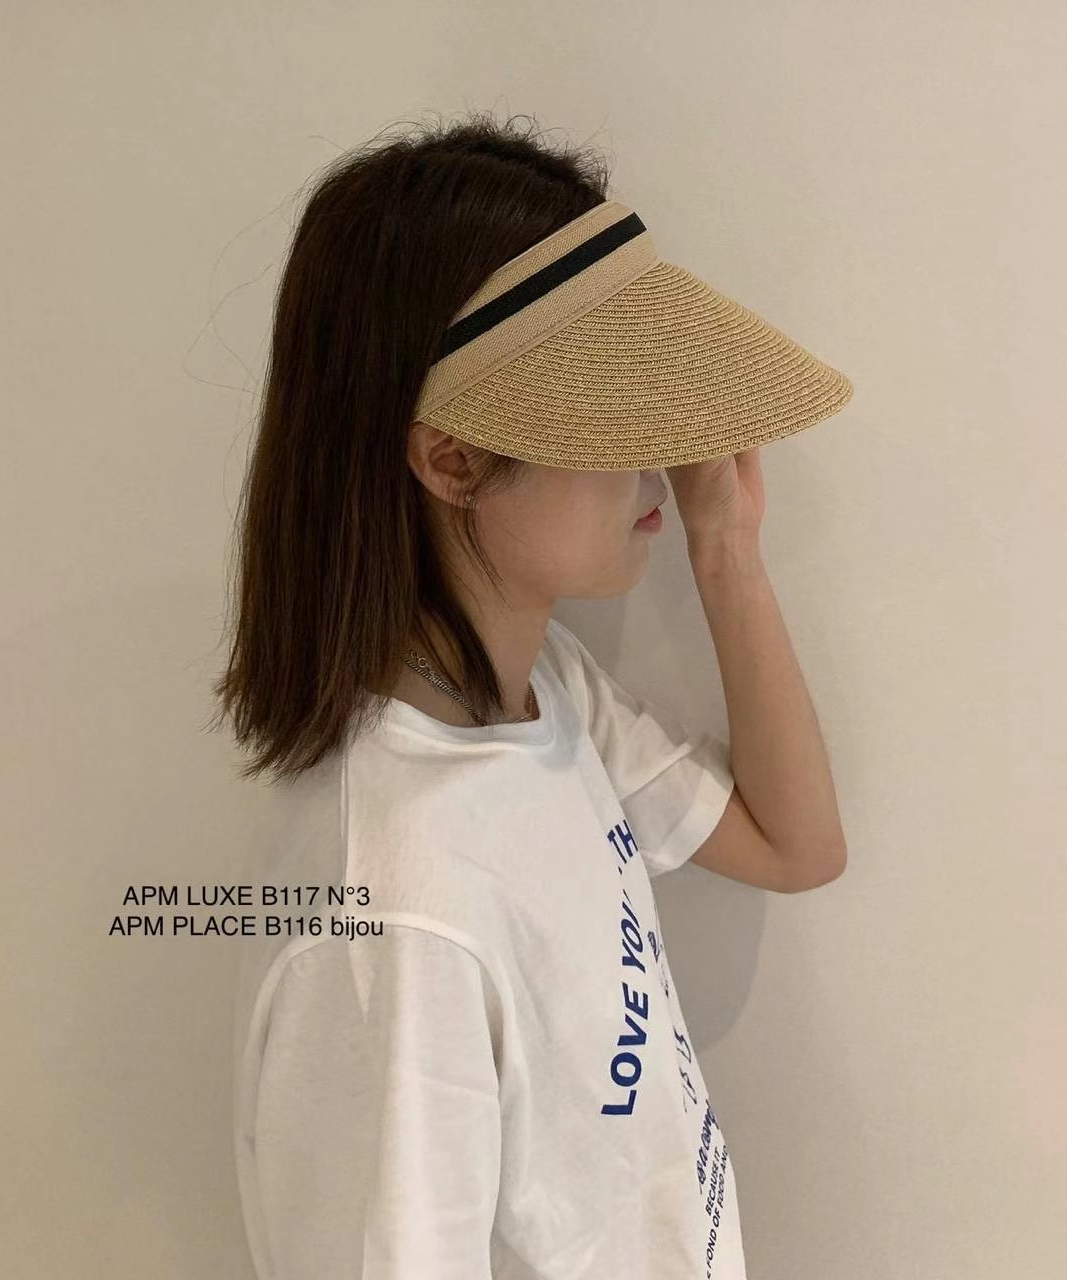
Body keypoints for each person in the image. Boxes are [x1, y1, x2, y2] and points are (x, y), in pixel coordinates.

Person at [212, 112, 853, 1279]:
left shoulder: (539, 689)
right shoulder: (401, 918)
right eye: (607, 414)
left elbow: (796, 844)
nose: (656, 453)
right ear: (451, 460)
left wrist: (725, 551)